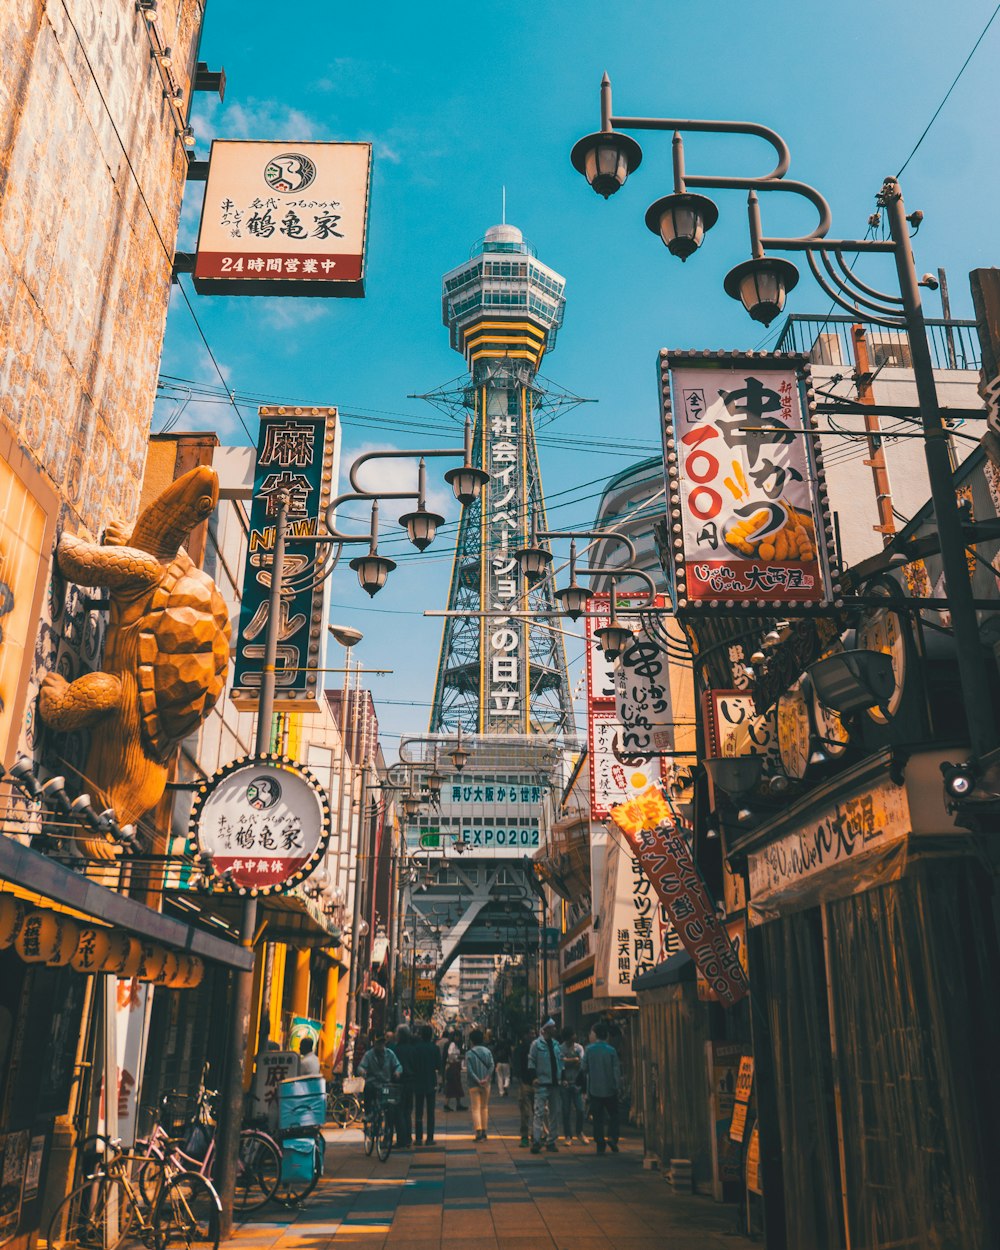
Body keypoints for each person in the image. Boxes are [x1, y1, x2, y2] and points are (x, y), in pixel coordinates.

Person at [582, 1021, 622, 1155]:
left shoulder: (589, 1050)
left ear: (595, 1034)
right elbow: (616, 1071)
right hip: (610, 1088)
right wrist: (617, 1086)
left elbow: (584, 1068)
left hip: (595, 1089)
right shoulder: (611, 1050)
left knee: (598, 1118)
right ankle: (612, 1137)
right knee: (614, 1115)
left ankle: (600, 1143)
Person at [528, 1019, 564, 1153]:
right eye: (552, 1027)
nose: (555, 1029)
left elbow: (560, 1063)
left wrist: (563, 1078)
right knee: (539, 1113)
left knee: (554, 1113)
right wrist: (534, 1078)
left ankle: (551, 1141)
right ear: (546, 1029)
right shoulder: (536, 1044)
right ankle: (537, 1141)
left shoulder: (555, 1044)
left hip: (555, 1083)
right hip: (542, 1083)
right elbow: (531, 1061)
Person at [357, 1033, 402, 1115]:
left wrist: (397, 1072)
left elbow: (398, 1065)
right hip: (372, 1083)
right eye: (378, 1043)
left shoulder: (390, 1054)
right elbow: (361, 1066)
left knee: (390, 1104)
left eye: (382, 1043)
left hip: (386, 1084)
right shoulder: (369, 1054)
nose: (380, 1045)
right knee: (367, 1090)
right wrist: (362, 1071)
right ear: (375, 1044)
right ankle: (368, 1114)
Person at [411, 1025, 440, 1146]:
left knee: (418, 1111)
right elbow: (438, 1065)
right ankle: (430, 1138)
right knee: (430, 1111)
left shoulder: (416, 1048)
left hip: (418, 1081)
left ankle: (418, 1138)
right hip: (430, 1081)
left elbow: (413, 1064)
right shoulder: (434, 1048)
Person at [558, 1026, 587, 1144]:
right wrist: (573, 1060)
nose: (575, 1036)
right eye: (573, 1034)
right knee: (566, 1110)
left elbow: (582, 1062)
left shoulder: (579, 1047)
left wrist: (568, 1061)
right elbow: (560, 1063)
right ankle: (568, 1136)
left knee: (580, 1109)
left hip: (576, 1083)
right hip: (565, 1083)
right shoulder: (560, 1048)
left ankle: (579, 1132)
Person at [465, 1029, 495, 1141]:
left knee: (475, 1108)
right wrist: (486, 1078)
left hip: (473, 1084)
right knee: (484, 1108)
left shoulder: (469, 1053)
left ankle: (478, 1132)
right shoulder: (487, 1051)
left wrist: (478, 1080)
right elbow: (492, 1066)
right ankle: (484, 1131)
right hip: (486, 1084)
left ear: (472, 1040)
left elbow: (469, 1070)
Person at [393, 1025, 416, 1148]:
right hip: (410, 1082)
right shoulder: (412, 1049)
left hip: (399, 1082)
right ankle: (408, 1138)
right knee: (408, 1111)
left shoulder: (396, 1050)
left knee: (399, 1111)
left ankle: (402, 1139)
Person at [513, 1029, 535, 1147]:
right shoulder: (520, 1049)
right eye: (531, 1033)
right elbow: (516, 1067)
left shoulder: (536, 1047)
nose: (533, 1035)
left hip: (536, 1083)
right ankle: (525, 1136)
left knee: (539, 1112)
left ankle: (536, 1135)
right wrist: (520, 1082)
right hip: (525, 1084)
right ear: (525, 1035)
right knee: (525, 1112)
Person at [443, 1031, 467, 1111]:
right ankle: (447, 1105)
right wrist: (460, 1056)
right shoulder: (452, 1044)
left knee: (456, 1086)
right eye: (457, 1036)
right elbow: (450, 1055)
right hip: (452, 1067)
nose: (458, 1038)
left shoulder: (456, 1045)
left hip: (455, 1067)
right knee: (452, 1086)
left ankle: (458, 1104)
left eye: (459, 1036)